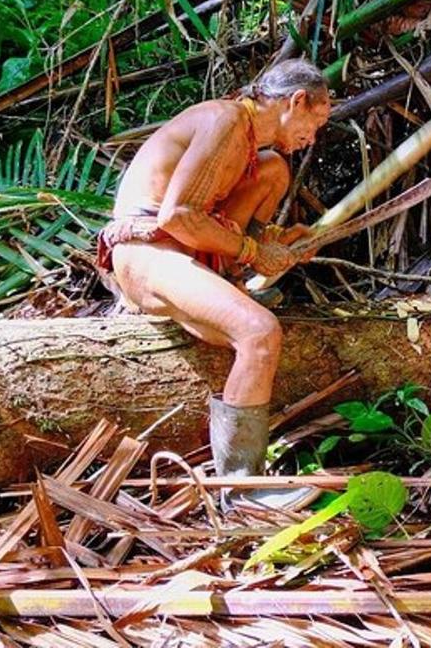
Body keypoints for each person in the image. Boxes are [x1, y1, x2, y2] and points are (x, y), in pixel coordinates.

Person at [96, 58, 331, 508]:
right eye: (314, 123)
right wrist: (254, 253)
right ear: (296, 101)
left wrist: (278, 241)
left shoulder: (245, 138)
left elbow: (210, 212)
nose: (312, 138)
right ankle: (240, 491)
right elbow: (179, 216)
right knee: (259, 333)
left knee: (274, 170)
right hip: (145, 252)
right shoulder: (226, 120)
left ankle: (225, 285)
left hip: (179, 249)